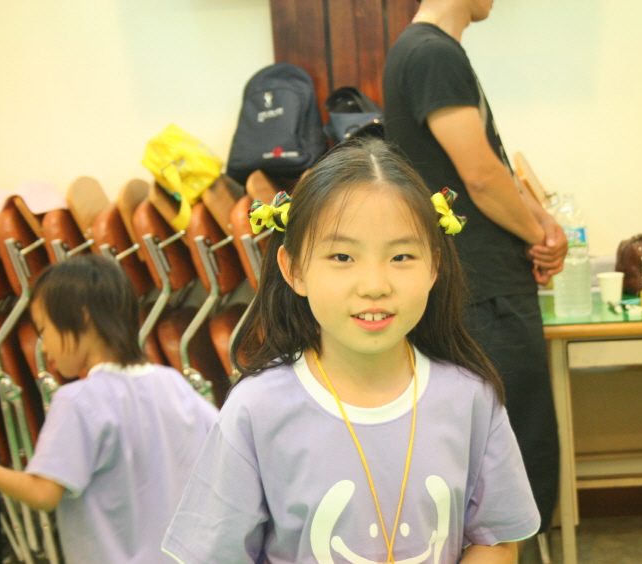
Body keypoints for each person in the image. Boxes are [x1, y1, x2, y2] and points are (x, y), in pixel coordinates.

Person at [162, 139, 539, 564]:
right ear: (293, 269)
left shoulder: (470, 398)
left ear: (434, 266)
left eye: (401, 256)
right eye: (342, 256)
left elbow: (497, 539)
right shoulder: (256, 410)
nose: (374, 285)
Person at [382, 0, 568, 535]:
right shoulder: (431, 54)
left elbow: (495, 167)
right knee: (510, 455)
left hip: (479, 285)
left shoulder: (427, 51)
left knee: (503, 450)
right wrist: (538, 238)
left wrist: (541, 222)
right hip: (481, 291)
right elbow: (481, 176)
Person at [0, 254, 218, 564]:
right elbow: (223, 452)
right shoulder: (171, 382)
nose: (44, 347)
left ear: (82, 316)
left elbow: (43, 494)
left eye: (44, 329)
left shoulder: (77, 400)